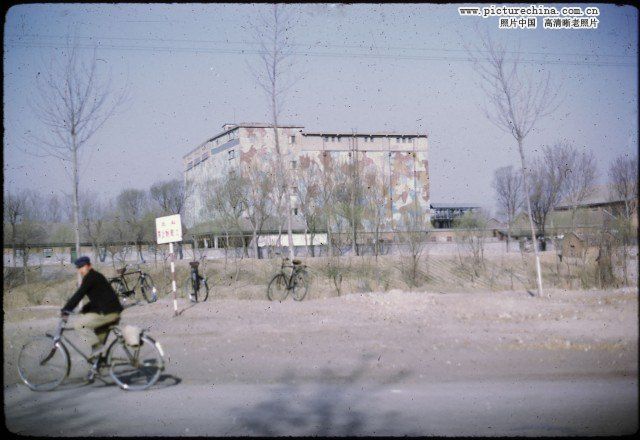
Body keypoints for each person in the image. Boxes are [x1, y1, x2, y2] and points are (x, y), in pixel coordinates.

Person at [61, 256, 124, 360]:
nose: (80, 269)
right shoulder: (95, 276)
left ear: (88, 266)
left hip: (108, 313)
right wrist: (84, 309)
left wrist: (66, 309)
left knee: (79, 325)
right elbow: (99, 298)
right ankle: (97, 365)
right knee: (97, 342)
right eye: (78, 267)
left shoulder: (91, 277)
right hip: (112, 312)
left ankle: (97, 349)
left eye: (82, 267)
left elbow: (79, 294)